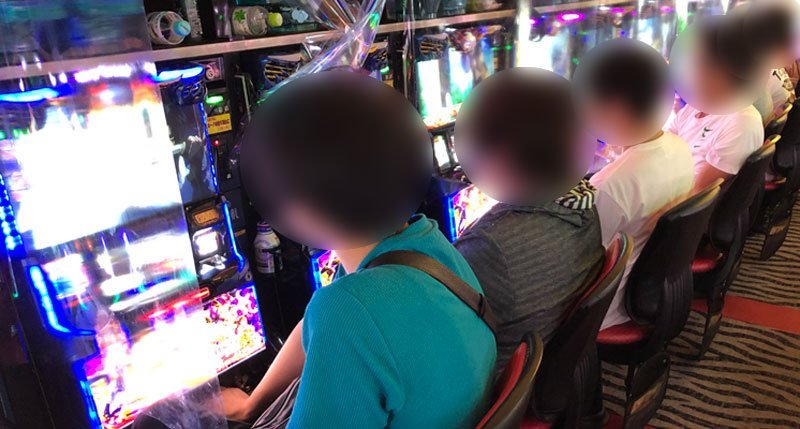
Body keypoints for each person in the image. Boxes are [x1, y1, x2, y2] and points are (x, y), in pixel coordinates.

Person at [223, 71, 495, 428]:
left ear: (298, 210)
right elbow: (316, 322)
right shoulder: (425, 243)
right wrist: (252, 404)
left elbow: (340, 316)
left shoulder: (349, 308)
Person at [452, 67, 605, 370]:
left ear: (499, 156)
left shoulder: (488, 246)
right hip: (550, 360)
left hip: (502, 383)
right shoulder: (583, 201)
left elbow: (444, 333)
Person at [573, 39, 695, 330]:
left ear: (614, 108)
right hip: (653, 287)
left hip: (606, 308)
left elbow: (575, 263)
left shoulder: (609, 186)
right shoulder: (679, 147)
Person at [667, 14, 766, 191]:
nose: (690, 71)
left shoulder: (743, 123)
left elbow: (698, 194)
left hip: (678, 198)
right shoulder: (697, 104)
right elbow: (668, 141)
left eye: (700, 64)